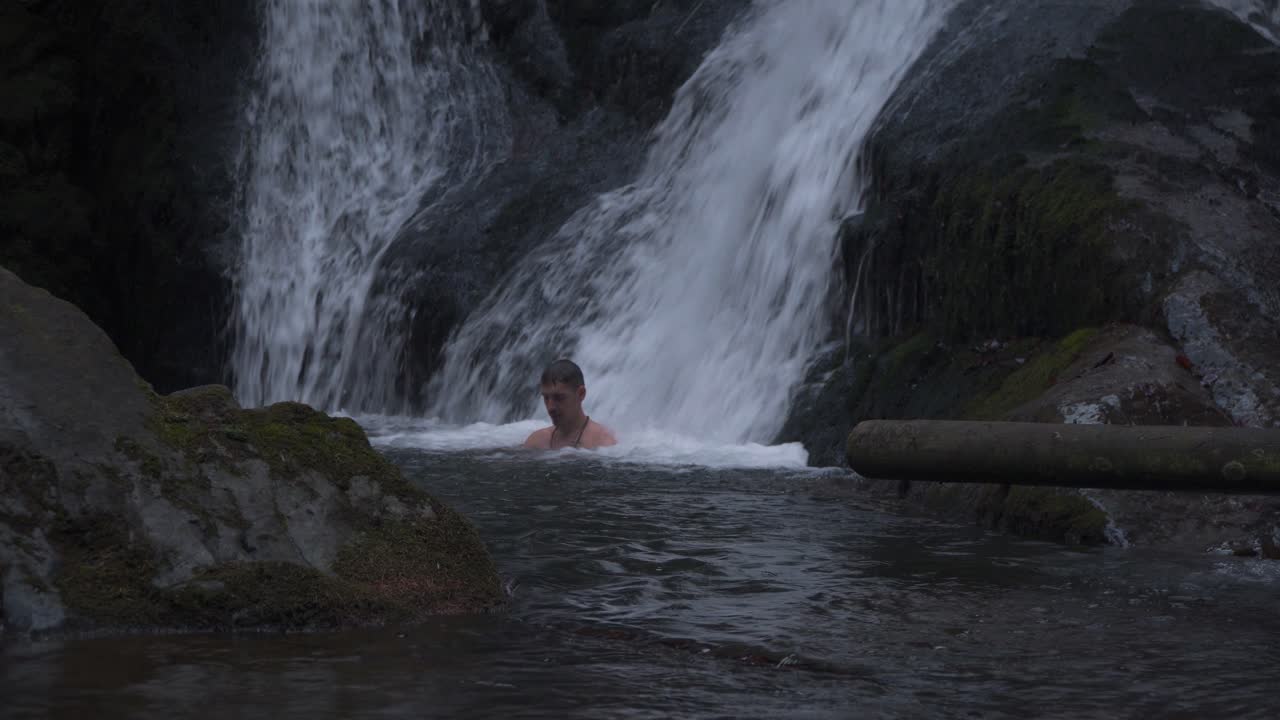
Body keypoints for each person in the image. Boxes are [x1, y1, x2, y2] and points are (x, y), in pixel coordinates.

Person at [522, 358, 617, 450]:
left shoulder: (603, 443)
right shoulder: (536, 442)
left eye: (559, 398)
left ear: (581, 394)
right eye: (546, 398)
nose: (550, 407)